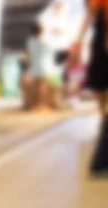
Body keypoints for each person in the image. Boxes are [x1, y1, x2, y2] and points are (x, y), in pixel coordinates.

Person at [70, 0, 108, 174]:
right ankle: (103, 122)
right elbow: (89, 15)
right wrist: (78, 41)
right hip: (102, 41)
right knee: (99, 85)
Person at [27, 23, 61, 110]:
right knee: (43, 87)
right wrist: (54, 34)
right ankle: (42, 105)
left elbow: (30, 53)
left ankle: (35, 105)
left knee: (36, 86)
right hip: (44, 67)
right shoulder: (46, 41)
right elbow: (54, 50)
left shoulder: (30, 41)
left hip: (34, 67)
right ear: (42, 31)